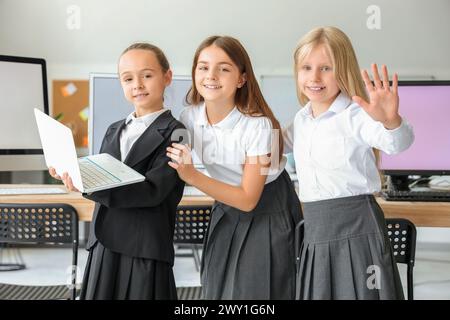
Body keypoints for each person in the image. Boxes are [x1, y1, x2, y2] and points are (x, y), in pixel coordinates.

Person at [283, 26, 414, 299]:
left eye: (326, 68)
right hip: (317, 232)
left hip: (358, 231)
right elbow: (269, 146)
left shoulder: (357, 115)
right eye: (306, 67)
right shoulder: (301, 120)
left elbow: (397, 143)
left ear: (343, 70)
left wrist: (390, 121)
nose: (314, 77)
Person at [166, 35, 302, 300]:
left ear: (241, 78)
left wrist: (192, 175)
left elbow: (249, 198)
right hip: (226, 206)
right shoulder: (188, 117)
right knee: (218, 286)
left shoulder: (257, 125)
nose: (211, 75)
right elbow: (168, 161)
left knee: (257, 291)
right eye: (203, 67)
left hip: (268, 208)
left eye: (224, 68)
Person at [49, 42, 185, 299]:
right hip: (103, 244)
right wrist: (75, 174)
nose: (138, 84)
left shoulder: (177, 132)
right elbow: (103, 174)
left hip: (143, 248)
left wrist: (86, 184)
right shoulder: (114, 129)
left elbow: (151, 192)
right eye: (128, 78)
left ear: (167, 77)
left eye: (147, 75)